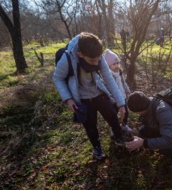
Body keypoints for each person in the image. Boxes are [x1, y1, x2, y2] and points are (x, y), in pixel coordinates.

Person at [53, 32, 126, 161]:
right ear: (80, 54)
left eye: (98, 59)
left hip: (99, 93)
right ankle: (97, 147)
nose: (96, 62)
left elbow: (109, 79)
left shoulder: (98, 56)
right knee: (90, 125)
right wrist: (68, 99)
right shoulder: (67, 59)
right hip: (82, 98)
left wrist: (121, 103)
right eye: (92, 60)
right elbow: (58, 78)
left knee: (112, 116)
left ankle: (119, 136)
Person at [125, 91, 172, 172]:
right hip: (167, 130)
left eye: (137, 113)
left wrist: (143, 142)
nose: (138, 115)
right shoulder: (148, 102)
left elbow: (169, 141)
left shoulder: (163, 112)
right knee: (143, 131)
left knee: (164, 148)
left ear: (141, 109)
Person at [104, 49, 132, 133]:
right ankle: (113, 128)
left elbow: (123, 83)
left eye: (117, 63)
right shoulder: (107, 75)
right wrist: (111, 98)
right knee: (113, 115)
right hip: (113, 99)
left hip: (122, 97)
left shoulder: (119, 71)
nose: (116, 65)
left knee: (126, 112)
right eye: (113, 64)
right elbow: (107, 88)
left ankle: (124, 125)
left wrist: (127, 91)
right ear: (108, 65)